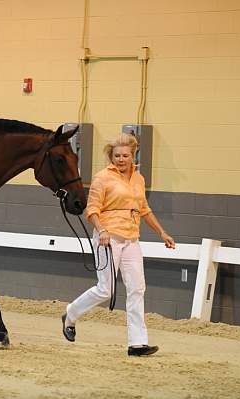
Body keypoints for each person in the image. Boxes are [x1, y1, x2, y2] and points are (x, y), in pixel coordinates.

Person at [62, 133, 175, 356]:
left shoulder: (139, 179)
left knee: (137, 289)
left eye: (125, 155)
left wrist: (162, 233)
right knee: (106, 289)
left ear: (133, 155)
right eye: (117, 156)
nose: (121, 159)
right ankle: (71, 313)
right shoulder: (102, 178)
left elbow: (144, 210)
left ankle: (137, 343)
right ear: (111, 156)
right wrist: (102, 230)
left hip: (132, 238)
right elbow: (92, 210)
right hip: (108, 237)